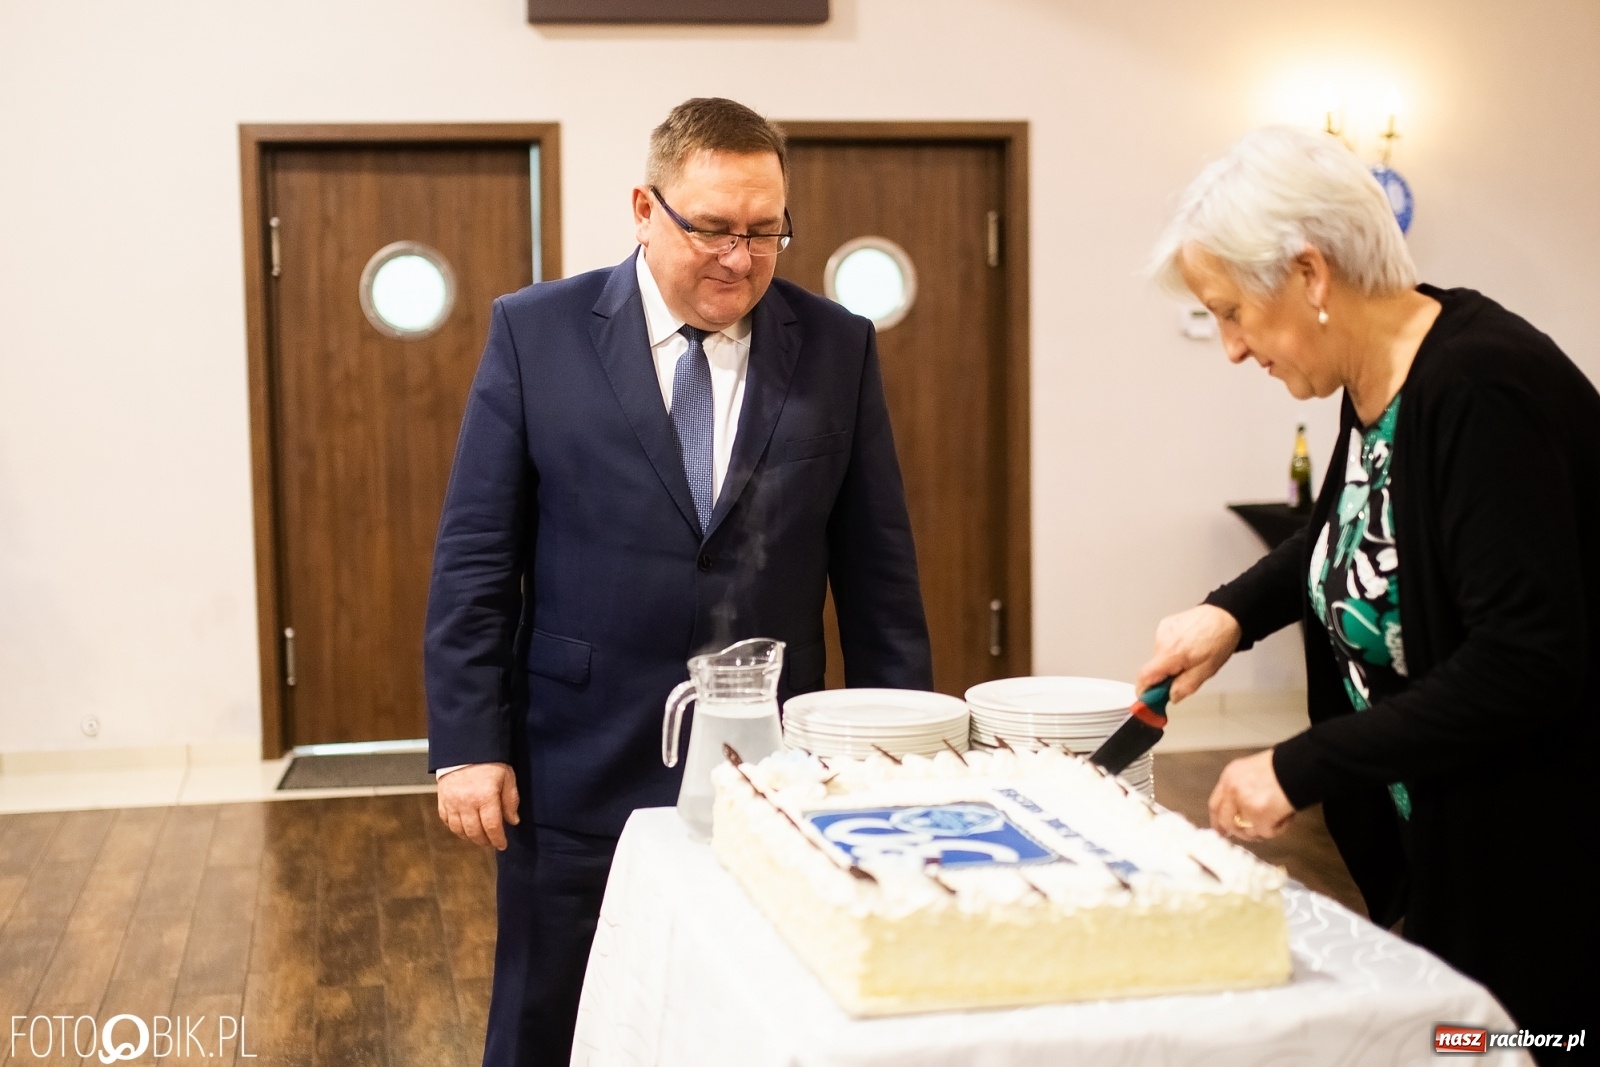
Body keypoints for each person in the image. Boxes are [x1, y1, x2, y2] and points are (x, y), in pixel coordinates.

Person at [423, 97, 932, 1067]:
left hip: (775, 766)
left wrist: (889, 749)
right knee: (551, 1018)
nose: (738, 258)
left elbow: (878, 569)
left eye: (763, 231)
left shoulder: (835, 343)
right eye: (710, 228)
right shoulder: (539, 333)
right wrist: (467, 744)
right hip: (575, 759)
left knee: (753, 1010)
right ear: (643, 208)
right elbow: (478, 556)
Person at [1138, 125, 1598, 1053]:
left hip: (1546, 878)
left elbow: (1525, 660)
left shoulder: (1480, 387)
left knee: (1505, 1050)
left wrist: (1302, 763)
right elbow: (1349, 526)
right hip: (1444, 864)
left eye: (1233, 312)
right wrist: (1233, 613)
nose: (1230, 348)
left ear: (1310, 275)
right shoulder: (1376, 379)